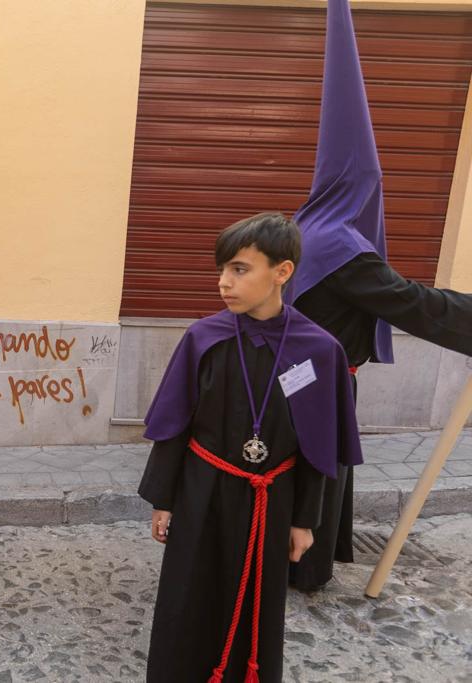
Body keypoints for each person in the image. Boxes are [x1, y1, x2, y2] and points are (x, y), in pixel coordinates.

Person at [286, 0, 472, 592]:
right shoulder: (343, 244)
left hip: (300, 374)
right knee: (315, 470)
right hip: (319, 382)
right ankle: (302, 570)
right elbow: (409, 302)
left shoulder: (308, 224)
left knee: (313, 469)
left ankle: (310, 557)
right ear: (360, 187)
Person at [139, 213, 362, 682]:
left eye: (240, 269)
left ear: (282, 272)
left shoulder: (318, 351)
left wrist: (305, 519)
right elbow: (175, 424)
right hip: (201, 490)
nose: (224, 282)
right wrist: (164, 500)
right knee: (187, 595)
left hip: (270, 500)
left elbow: (318, 445)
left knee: (256, 601)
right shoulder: (204, 338)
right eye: (222, 270)